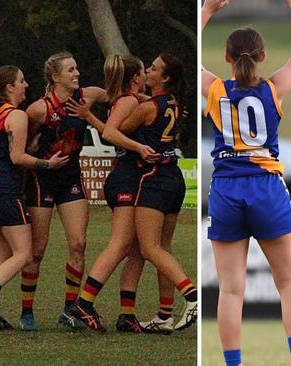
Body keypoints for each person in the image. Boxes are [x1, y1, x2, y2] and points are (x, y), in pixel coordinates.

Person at [202, 0, 291, 365]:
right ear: (263, 55)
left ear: (227, 56)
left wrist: (206, 11)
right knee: (289, 284)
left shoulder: (216, 89)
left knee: (232, 290)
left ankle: (233, 363)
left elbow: (193, 64)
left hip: (226, 189)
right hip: (266, 187)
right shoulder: (274, 88)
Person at [66, 54, 175, 333]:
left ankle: (127, 313)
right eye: (145, 69)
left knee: (138, 248)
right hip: (126, 176)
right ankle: (84, 303)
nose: (148, 73)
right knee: (121, 243)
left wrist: (89, 112)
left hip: (134, 177)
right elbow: (111, 134)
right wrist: (138, 147)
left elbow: (106, 115)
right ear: (136, 78)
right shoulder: (131, 100)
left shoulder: (134, 99)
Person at [0, 66, 68, 330]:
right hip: (4, 188)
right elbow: (16, 158)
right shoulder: (16, 115)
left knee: (4, 253)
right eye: (22, 81)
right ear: (9, 88)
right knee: (24, 253)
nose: (26, 85)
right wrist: (48, 164)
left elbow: (6, 149)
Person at [18, 52, 107, 331]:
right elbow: (24, 145)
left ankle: (70, 309)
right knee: (38, 249)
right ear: (55, 77)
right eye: (70, 69)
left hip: (70, 178)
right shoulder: (38, 109)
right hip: (41, 179)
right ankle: (26, 310)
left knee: (79, 243)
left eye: (77, 67)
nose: (77, 73)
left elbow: (119, 96)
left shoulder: (87, 97)